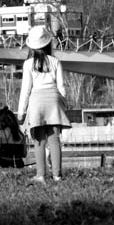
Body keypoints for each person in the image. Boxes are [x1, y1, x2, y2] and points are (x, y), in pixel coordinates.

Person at [15, 24, 69, 181]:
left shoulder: (28, 64)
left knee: (39, 140)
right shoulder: (55, 61)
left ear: (31, 46)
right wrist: (63, 104)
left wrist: (21, 113)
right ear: (48, 43)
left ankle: (40, 174)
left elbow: (25, 90)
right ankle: (57, 175)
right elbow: (62, 87)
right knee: (54, 139)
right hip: (54, 99)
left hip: (36, 101)